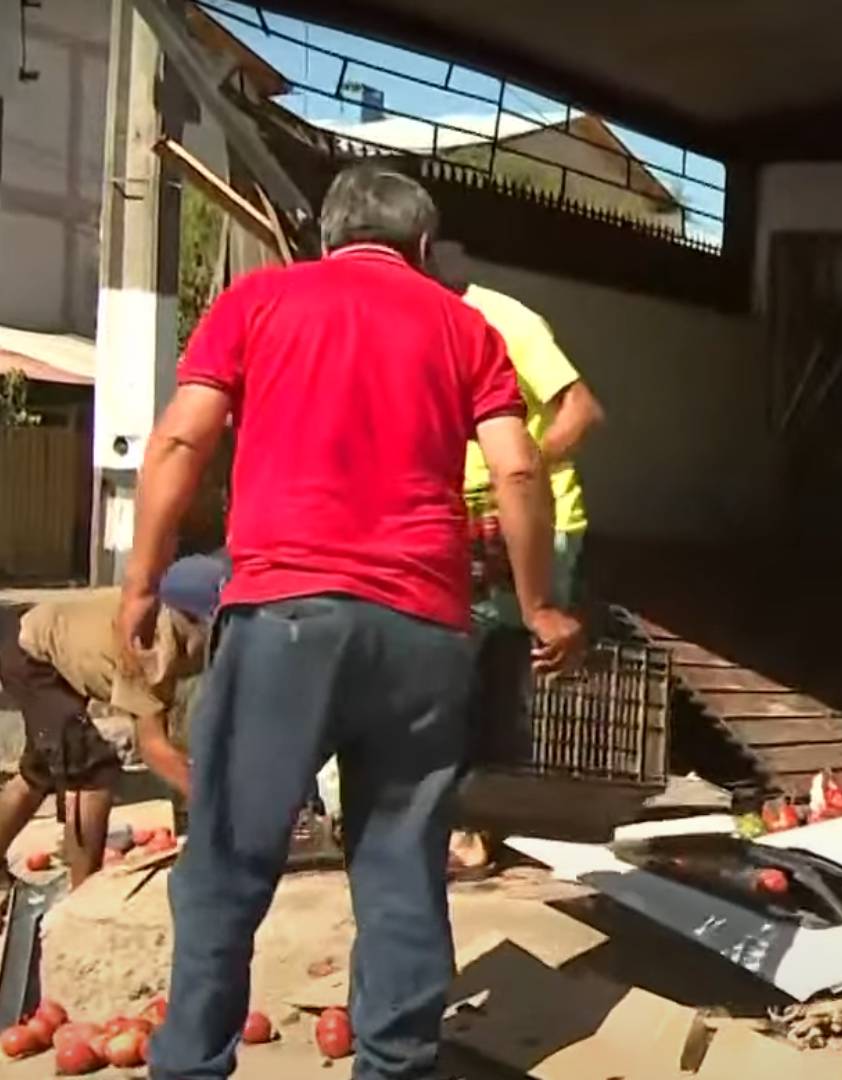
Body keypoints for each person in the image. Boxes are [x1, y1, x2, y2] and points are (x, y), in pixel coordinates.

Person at [120, 163, 584, 1080]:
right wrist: (538, 607)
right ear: (422, 248)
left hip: (284, 614)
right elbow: (521, 472)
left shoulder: (262, 299)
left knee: (227, 861)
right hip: (423, 632)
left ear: (330, 237)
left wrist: (143, 577)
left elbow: (181, 437)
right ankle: (397, 1065)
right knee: (401, 864)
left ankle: (190, 1067)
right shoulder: (465, 327)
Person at [426, 242, 603, 877]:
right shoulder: (420, 321)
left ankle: (478, 826)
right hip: (463, 518)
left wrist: (522, 466)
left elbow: (582, 410)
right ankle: (466, 816)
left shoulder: (508, 321)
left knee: (498, 666)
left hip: (531, 518)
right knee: (460, 664)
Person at [0, 555, 216, 885]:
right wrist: (209, 798)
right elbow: (153, 746)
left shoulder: (169, 627)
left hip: (38, 647)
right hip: (33, 654)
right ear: (196, 621)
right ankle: (83, 894)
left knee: (39, 772)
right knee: (93, 771)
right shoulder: (154, 645)